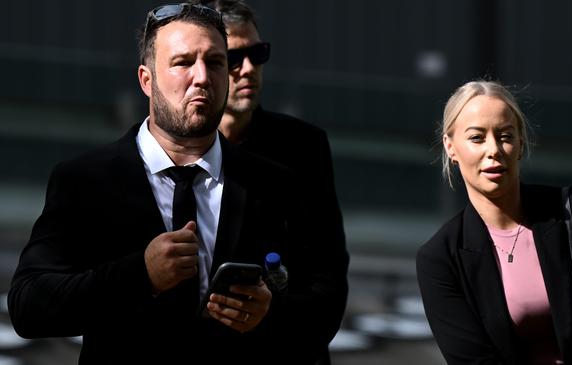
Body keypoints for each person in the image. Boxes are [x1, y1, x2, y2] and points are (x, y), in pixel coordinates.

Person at [8, 4, 337, 364]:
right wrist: (141, 275)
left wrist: (271, 311)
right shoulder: (86, 181)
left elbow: (324, 300)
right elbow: (29, 305)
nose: (202, 77)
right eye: (183, 62)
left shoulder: (273, 184)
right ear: (146, 80)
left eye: (214, 62)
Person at [416, 80, 572, 364]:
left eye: (505, 135)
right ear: (451, 147)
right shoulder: (441, 258)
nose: (494, 150)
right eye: (477, 138)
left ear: (520, 142)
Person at [198, 1, 350, 363]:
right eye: (234, 58)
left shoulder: (303, 147)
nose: (248, 69)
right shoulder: (173, 150)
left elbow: (328, 273)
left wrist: (277, 317)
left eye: (258, 54)